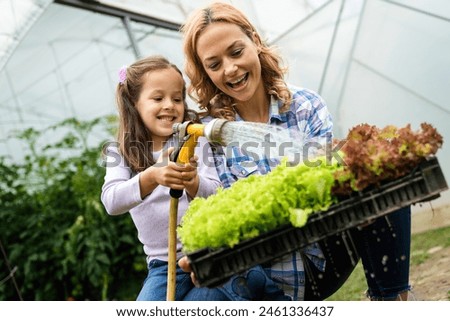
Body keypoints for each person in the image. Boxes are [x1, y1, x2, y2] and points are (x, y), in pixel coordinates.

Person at [178, 2, 411, 301]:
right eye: (214, 65)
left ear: (255, 42)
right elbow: (221, 210)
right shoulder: (210, 135)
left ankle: (392, 301)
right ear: (206, 73)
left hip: (323, 257)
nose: (230, 69)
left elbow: (325, 189)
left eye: (236, 52)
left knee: (384, 175)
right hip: (265, 278)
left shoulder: (305, 106)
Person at [101, 55, 227, 301]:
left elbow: (217, 193)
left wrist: (192, 182)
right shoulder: (122, 151)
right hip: (163, 266)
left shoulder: (193, 139)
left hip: (209, 254)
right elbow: (111, 201)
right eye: (158, 98)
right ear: (134, 102)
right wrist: (152, 176)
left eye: (177, 98)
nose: (170, 105)